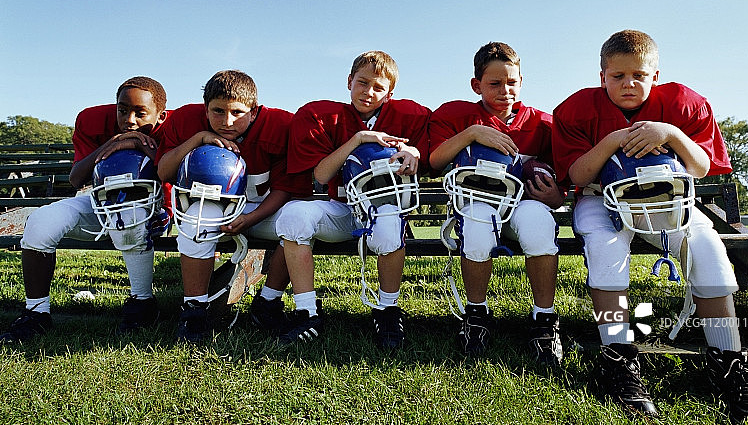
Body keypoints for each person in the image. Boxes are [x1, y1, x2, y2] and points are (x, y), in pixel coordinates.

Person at [552, 29, 748, 425]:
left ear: (656, 75)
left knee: (708, 250)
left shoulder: (683, 103)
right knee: (605, 249)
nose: (628, 83)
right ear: (601, 75)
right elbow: (576, 173)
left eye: (639, 74)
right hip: (598, 196)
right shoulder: (575, 108)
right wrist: (614, 141)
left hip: (668, 200)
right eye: (617, 76)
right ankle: (617, 356)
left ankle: (728, 361)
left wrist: (670, 133)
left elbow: (702, 167)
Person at [274, 50, 430, 349]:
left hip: (385, 208)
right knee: (293, 215)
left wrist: (415, 152)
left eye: (378, 87)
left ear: (390, 93)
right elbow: (320, 175)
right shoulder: (325, 115)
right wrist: (357, 139)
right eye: (362, 83)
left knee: (387, 225)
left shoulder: (410, 115)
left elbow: (432, 154)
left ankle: (387, 309)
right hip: (343, 211)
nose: (368, 92)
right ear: (349, 81)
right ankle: (308, 312)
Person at [0, 77, 170, 342]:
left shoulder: (176, 126)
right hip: (100, 199)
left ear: (161, 116)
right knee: (41, 221)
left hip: (156, 204)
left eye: (140, 113)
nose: (129, 119)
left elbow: (176, 175)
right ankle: (36, 312)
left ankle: (143, 302)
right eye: (122, 110)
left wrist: (142, 145)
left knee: (131, 213)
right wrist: (114, 143)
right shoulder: (93, 120)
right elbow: (77, 179)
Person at [428, 42, 566, 365]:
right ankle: (477, 315)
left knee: (539, 225)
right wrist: (473, 133)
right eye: (495, 83)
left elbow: (563, 181)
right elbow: (434, 161)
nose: (505, 90)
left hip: (521, 203)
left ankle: (544, 319)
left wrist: (556, 197)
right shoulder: (458, 116)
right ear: (476, 85)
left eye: (512, 82)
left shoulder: (541, 124)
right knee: (476, 229)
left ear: (521, 81)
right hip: (476, 200)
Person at [155, 70, 310, 344]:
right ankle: (194, 310)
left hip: (265, 209)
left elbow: (286, 189)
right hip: (213, 204)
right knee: (195, 220)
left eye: (237, 112)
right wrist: (197, 139)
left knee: (296, 222)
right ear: (205, 108)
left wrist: (251, 218)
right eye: (217, 111)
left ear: (254, 111)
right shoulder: (186, 120)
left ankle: (268, 302)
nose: (227, 122)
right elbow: (164, 172)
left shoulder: (280, 124)